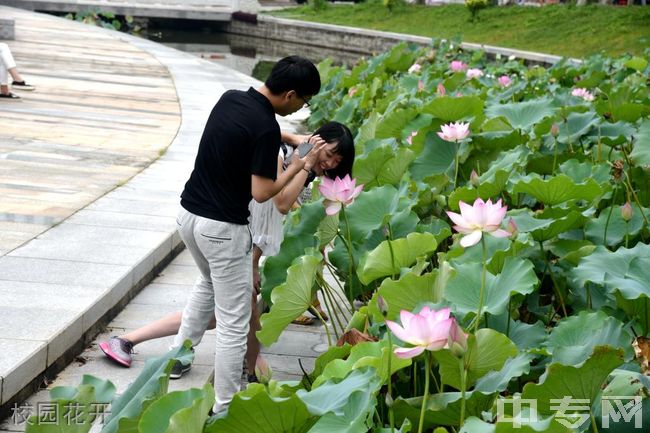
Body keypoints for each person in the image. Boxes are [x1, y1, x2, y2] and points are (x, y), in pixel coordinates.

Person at [99, 121, 355, 381]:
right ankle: (246, 371)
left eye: (338, 160)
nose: (332, 163)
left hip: (236, 237)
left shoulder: (304, 169)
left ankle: (131, 342)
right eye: (330, 154)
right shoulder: (279, 154)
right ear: (317, 141)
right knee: (240, 313)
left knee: (217, 314)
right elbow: (278, 205)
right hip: (227, 235)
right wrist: (253, 263)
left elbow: (283, 214)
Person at [175, 55, 321, 414]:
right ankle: (225, 407)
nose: (302, 106)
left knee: (206, 284)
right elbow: (263, 192)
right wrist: (301, 164)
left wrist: (288, 136)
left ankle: (177, 359)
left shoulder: (230, 99)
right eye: (303, 100)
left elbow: (253, 128)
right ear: (290, 94)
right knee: (233, 323)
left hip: (188, 215)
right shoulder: (266, 129)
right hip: (222, 229)